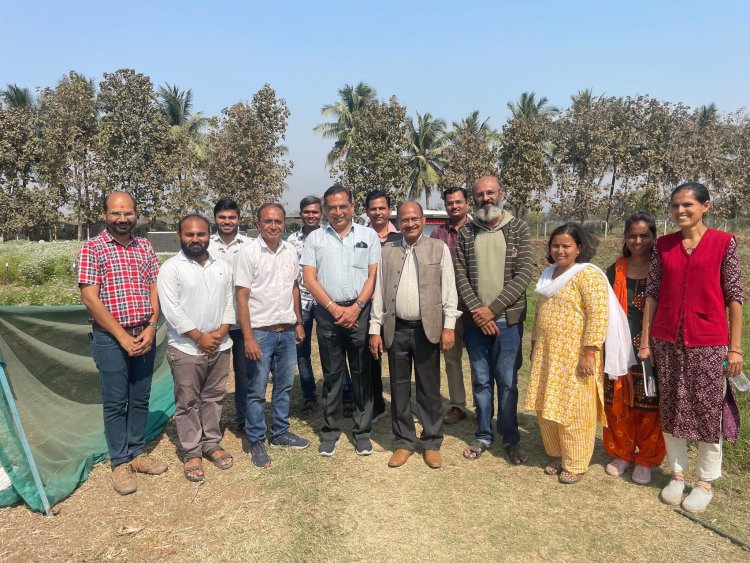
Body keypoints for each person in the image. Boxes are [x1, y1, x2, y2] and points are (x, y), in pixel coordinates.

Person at [640, 182, 743, 513]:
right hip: (666, 340)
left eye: (687, 205)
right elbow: (653, 293)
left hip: (709, 341)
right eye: (675, 205)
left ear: (706, 207)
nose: (680, 211)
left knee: (707, 409)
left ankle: (705, 481)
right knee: (671, 406)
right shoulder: (664, 246)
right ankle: (678, 474)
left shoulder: (724, 243)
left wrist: (735, 348)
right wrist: (645, 340)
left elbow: (734, 297)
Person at [525, 223, 631, 484]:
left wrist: (589, 352)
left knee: (575, 409)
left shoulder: (588, 275)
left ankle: (576, 463)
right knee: (546, 404)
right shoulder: (548, 274)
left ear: (579, 248)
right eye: (555, 245)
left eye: (566, 245)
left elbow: (598, 315)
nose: (559, 250)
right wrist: (535, 344)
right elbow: (540, 314)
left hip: (576, 355)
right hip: (548, 353)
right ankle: (558, 454)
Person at [77, 191, 167, 495]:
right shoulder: (93, 248)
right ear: (105, 214)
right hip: (110, 339)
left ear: (136, 214)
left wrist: (153, 326)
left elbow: (155, 287)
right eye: (116, 213)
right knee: (116, 402)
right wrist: (122, 337)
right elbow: (90, 298)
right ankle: (120, 462)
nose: (122, 219)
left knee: (141, 397)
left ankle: (138, 453)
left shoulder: (145, 246)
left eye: (128, 213)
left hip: (144, 333)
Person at [369, 202, 460, 469]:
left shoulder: (438, 248)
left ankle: (431, 441)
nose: (409, 223)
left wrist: (449, 325)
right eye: (404, 219)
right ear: (398, 221)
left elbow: (449, 290)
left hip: (427, 329)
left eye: (414, 218)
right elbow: (379, 293)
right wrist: (375, 328)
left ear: (423, 220)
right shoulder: (387, 251)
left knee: (429, 388)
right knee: (398, 387)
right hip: (396, 329)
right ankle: (404, 441)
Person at [455, 176, 533, 464]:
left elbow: (524, 274)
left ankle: (510, 437)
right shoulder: (467, 232)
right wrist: (478, 311)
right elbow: (460, 274)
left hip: (507, 322)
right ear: (473, 199)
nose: (486, 198)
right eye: (480, 194)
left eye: (490, 192)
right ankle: (484, 434)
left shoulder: (519, 228)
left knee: (508, 381)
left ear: (501, 193)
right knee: (482, 380)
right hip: (476, 323)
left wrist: (493, 309)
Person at [301, 184, 380, 456]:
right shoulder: (315, 239)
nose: (337, 212)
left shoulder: (368, 236)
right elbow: (309, 278)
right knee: (333, 375)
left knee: (361, 374)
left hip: (360, 312)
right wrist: (334, 308)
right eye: (332, 207)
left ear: (352, 207)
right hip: (327, 313)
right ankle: (331, 431)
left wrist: (357, 307)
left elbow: (373, 276)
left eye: (342, 206)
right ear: (325, 210)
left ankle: (362, 432)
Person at [157, 215, 236, 482]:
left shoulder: (222, 266)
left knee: (213, 397)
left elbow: (229, 301)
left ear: (208, 234)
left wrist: (220, 333)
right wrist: (199, 337)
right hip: (186, 348)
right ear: (179, 235)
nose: (195, 239)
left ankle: (212, 442)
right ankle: (192, 450)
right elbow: (172, 309)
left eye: (201, 234)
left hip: (220, 345)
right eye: (189, 234)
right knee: (188, 402)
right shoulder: (171, 268)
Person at [235, 203, 310, 469]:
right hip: (260, 333)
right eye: (268, 221)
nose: (273, 226)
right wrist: (248, 338)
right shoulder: (248, 253)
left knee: (284, 386)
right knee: (256, 389)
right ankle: (256, 439)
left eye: (278, 221)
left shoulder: (290, 251)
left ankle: (279, 432)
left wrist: (298, 322)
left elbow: (293, 289)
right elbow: (241, 297)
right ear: (258, 223)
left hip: (286, 331)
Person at [603, 212, 665, 485]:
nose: (637, 240)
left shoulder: (662, 268)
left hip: (653, 348)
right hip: (618, 346)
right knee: (617, 401)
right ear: (625, 238)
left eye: (644, 235)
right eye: (632, 235)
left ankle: (647, 459)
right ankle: (621, 453)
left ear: (653, 237)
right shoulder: (614, 269)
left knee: (650, 404)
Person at [208, 198, 251, 430]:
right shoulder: (205, 244)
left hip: (244, 321)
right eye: (222, 217)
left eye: (231, 217)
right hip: (215, 321)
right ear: (215, 218)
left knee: (245, 373)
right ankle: (210, 423)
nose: (227, 222)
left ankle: (244, 419)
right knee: (214, 375)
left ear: (238, 219)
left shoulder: (250, 244)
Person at [430, 186, 472, 424]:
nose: (454, 206)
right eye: (449, 203)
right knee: (452, 360)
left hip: (476, 308)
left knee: (479, 363)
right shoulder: (437, 236)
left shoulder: (479, 231)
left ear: (467, 203)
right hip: (449, 310)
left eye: (458, 202)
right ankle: (457, 405)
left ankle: (484, 407)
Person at [365, 189, 402, 423]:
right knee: (371, 358)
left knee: (400, 359)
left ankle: (403, 406)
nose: (378, 212)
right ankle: (377, 404)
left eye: (382, 208)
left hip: (395, 308)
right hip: (368, 307)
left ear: (390, 209)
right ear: (367, 211)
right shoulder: (360, 236)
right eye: (373, 208)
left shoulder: (400, 238)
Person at [287, 196, 324, 415]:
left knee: (333, 350)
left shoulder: (329, 236)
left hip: (326, 301)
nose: (311, 215)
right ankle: (310, 395)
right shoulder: (292, 240)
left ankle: (344, 393)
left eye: (315, 212)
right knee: (302, 351)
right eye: (307, 212)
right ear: (301, 214)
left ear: (321, 214)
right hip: (300, 302)